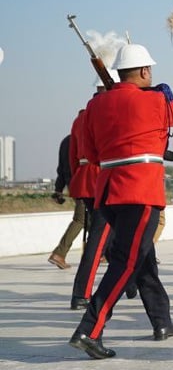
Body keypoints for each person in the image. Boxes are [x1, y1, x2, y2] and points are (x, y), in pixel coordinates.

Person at [69, 44, 173, 357]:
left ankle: (161, 321)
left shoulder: (95, 106)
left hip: (108, 193)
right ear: (145, 71)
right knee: (125, 263)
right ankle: (89, 329)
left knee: (143, 258)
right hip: (140, 192)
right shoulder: (154, 100)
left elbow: (92, 154)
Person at [67, 72, 116, 308]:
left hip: (83, 179)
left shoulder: (81, 118)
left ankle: (131, 283)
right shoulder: (109, 113)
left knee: (113, 237)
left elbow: (72, 156)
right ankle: (81, 292)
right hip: (104, 179)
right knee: (98, 240)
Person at [47, 133, 79, 269]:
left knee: (91, 220)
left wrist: (58, 189)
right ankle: (59, 253)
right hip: (84, 183)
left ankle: (104, 253)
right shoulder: (82, 138)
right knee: (81, 219)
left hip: (72, 184)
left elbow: (61, 169)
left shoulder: (66, 140)